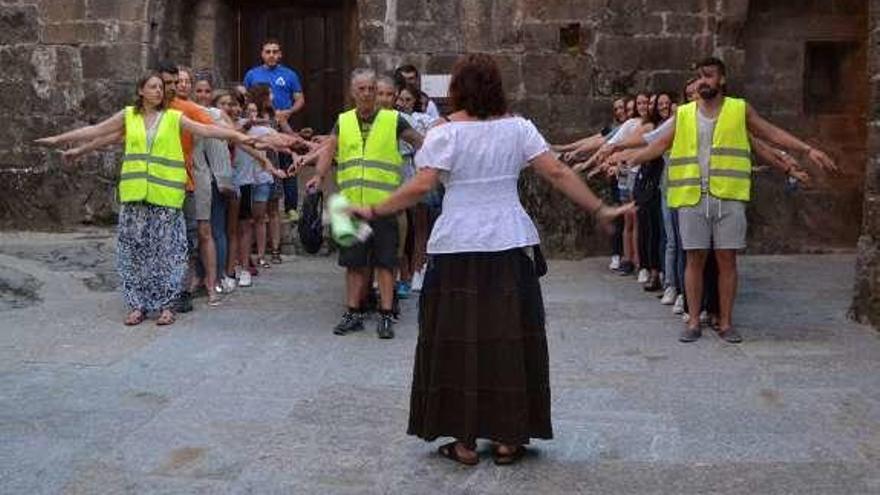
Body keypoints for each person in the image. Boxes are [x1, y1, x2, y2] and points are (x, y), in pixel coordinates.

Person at [350, 53, 630, 466]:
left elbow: (422, 186)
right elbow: (557, 173)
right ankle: (507, 438)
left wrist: (376, 209)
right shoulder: (519, 130)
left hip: (457, 246)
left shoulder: (445, 134)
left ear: (458, 89)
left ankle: (463, 441)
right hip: (508, 244)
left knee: (458, 340)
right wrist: (599, 209)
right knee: (507, 340)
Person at [602, 57, 837, 343]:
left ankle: (725, 322)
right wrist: (624, 158)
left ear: (722, 79)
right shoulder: (685, 114)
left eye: (709, 75)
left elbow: (768, 134)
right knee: (694, 259)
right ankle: (692, 321)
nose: (703, 81)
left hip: (728, 195)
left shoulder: (739, 110)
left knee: (727, 260)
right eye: (699, 76)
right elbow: (657, 143)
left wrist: (805, 150)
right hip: (692, 196)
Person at [35, 72, 253, 325]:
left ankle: (166, 305)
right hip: (136, 197)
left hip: (165, 198)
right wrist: (60, 139)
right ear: (140, 90)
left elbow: (205, 128)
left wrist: (238, 136)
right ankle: (137, 304)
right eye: (153, 87)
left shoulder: (173, 117)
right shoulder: (129, 115)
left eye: (160, 87)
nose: (158, 91)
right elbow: (98, 130)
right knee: (135, 253)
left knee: (168, 253)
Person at [305, 68, 423, 339]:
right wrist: (319, 176)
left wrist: (430, 167)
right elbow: (329, 149)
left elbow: (419, 142)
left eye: (372, 88)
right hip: (349, 206)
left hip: (384, 205)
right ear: (352, 92)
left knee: (385, 263)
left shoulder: (394, 120)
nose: (368, 94)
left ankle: (385, 315)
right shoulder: (343, 121)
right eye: (362, 89)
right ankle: (353, 312)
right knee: (353, 263)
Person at [244, 38, 305, 223]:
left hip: (282, 123)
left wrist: (288, 112)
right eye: (268, 51)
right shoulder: (252, 74)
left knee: (288, 162)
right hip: (260, 126)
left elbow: (300, 99)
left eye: (275, 51)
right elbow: (245, 98)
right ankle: (261, 207)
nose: (271, 55)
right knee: (262, 161)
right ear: (262, 54)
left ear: (280, 54)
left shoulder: (289, 75)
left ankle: (291, 207)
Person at [193, 77, 238, 294]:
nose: (203, 95)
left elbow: (234, 137)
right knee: (200, 232)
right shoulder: (188, 114)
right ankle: (201, 276)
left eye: (207, 91)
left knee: (216, 230)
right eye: (199, 90)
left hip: (216, 180)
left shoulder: (217, 114)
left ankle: (218, 276)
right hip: (196, 179)